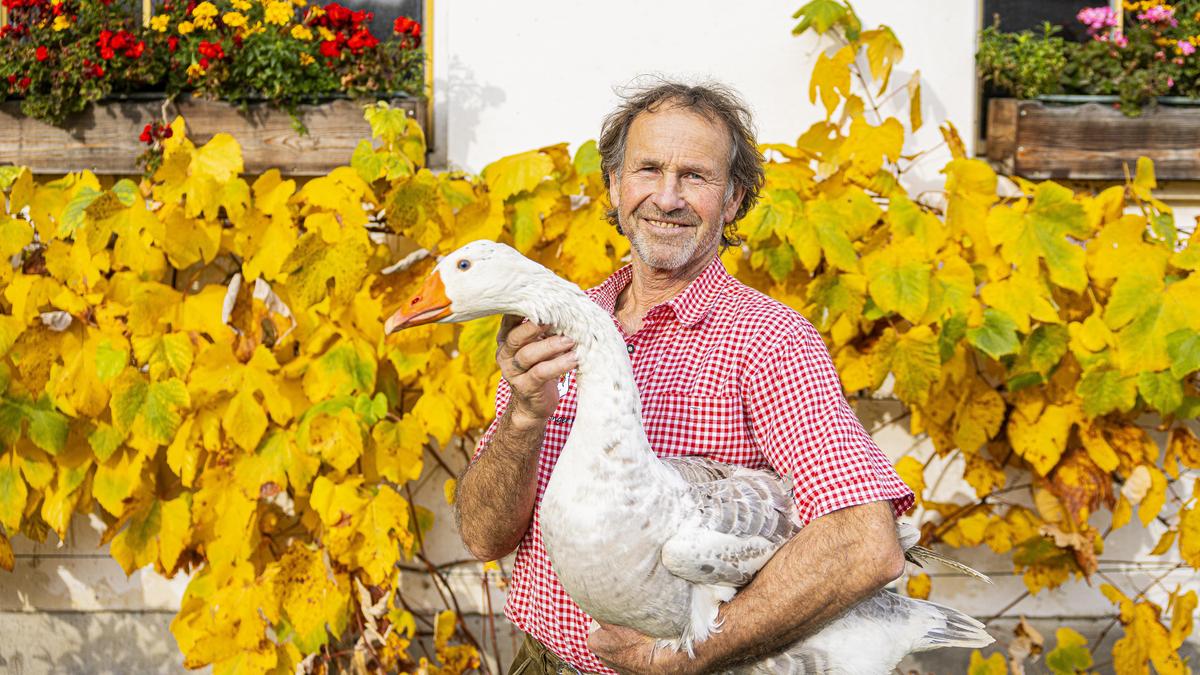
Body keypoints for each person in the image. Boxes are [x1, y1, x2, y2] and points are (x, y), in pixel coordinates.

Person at [454, 81, 915, 674]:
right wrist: (523, 418)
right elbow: (483, 537)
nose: (667, 197)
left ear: (732, 200)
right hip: (540, 661)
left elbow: (864, 544)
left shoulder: (769, 340)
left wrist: (692, 658)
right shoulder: (557, 330)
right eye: (647, 169)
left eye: (695, 176)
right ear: (615, 186)